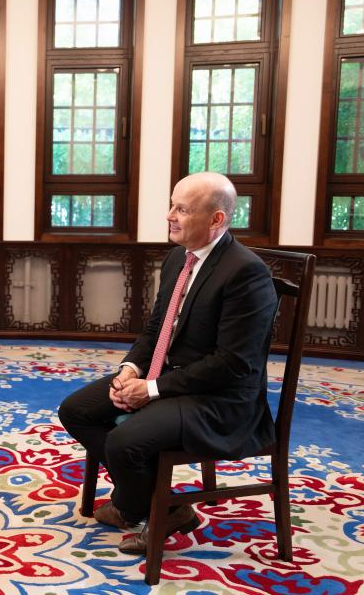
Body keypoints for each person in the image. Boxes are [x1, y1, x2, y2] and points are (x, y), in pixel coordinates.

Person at [58, 171, 278, 554]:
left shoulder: (246, 272)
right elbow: (156, 328)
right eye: (172, 206)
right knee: (76, 410)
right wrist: (130, 371)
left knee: (125, 441)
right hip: (172, 378)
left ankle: (135, 505)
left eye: (182, 209)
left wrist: (151, 390)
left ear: (216, 219)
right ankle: (166, 507)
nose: (169, 216)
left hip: (219, 399)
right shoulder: (179, 257)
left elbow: (232, 364)